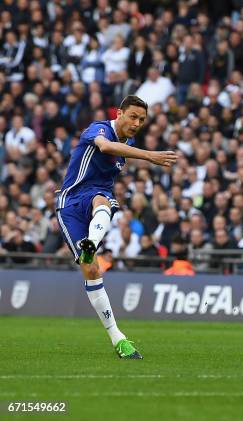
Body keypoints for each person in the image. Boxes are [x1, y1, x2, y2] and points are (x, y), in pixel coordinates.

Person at [55, 95, 177, 359]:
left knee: (105, 200)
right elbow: (105, 147)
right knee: (92, 269)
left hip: (95, 198)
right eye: (132, 116)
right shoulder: (99, 129)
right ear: (119, 113)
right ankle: (91, 247)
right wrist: (149, 156)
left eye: (142, 120)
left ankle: (118, 339)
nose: (136, 123)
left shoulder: (128, 144)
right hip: (70, 205)